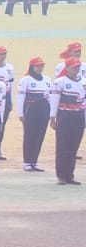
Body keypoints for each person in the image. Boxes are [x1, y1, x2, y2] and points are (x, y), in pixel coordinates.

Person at [50, 57, 84, 185]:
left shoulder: (84, 82)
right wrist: (52, 117)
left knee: (73, 147)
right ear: (67, 68)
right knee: (62, 147)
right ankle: (61, 175)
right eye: (74, 67)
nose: (77, 69)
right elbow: (54, 101)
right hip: (64, 116)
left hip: (78, 116)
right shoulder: (60, 82)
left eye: (78, 67)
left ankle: (70, 175)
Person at [17, 58, 52, 173]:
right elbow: (20, 97)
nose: (40, 68)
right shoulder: (25, 80)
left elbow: (50, 97)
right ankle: (27, 162)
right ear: (32, 67)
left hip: (44, 111)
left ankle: (34, 161)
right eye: (37, 66)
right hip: (30, 111)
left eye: (42, 66)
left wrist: (52, 113)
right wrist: (21, 113)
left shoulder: (47, 80)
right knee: (29, 136)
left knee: (39, 136)